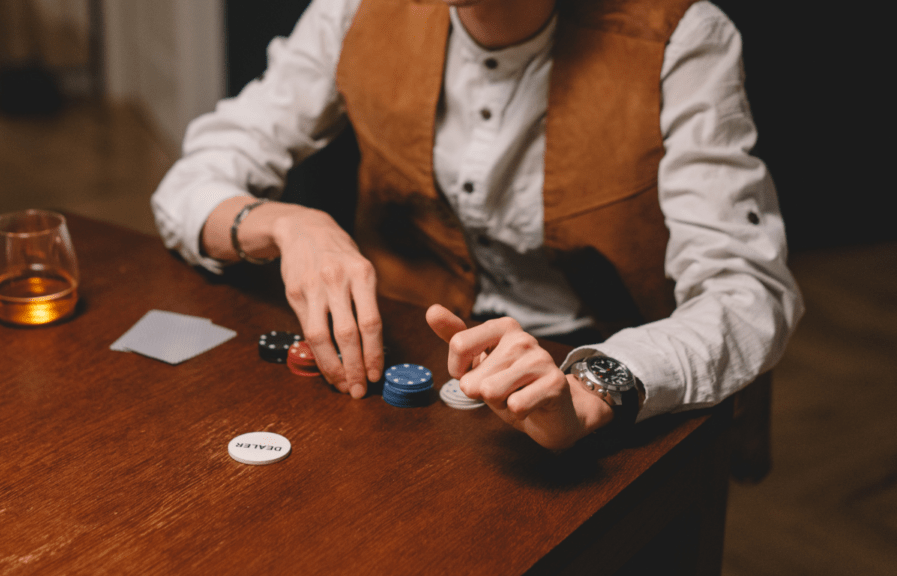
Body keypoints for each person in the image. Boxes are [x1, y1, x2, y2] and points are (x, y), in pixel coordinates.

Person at [152, 0, 804, 452]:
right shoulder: (352, 11)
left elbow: (748, 293)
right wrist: (288, 224)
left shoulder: (682, 37)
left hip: (596, 385)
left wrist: (592, 387)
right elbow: (191, 180)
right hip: (403, 365)